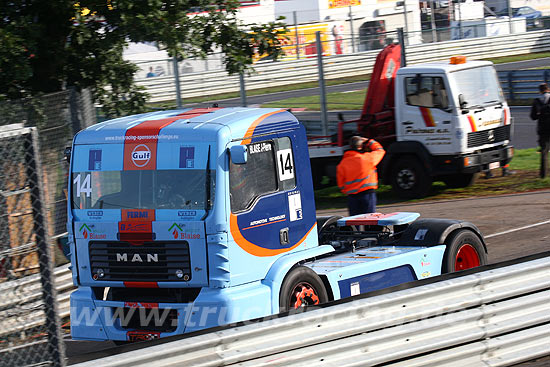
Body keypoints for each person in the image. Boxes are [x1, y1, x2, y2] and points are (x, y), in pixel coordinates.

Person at [336, 136, 386, 215]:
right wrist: (370, 141)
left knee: (355, 222)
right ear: (361, 146)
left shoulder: (343, 163)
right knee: (369, 221)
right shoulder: (368, 158)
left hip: (352, 197)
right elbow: (380, 150)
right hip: (367, 194)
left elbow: (341, 184)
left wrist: (347, 190)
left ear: (350, 146)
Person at [530, 83, 550, 178]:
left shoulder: (537, 101)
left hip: (543, 129)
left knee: (544, 152)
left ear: (540, 91)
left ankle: (543, 175)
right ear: (548, 89)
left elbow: (533, 117)